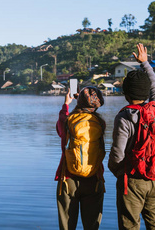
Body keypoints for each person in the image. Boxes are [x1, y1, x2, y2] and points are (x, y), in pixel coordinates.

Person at [108, 43, 155, 230]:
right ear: (146, 91)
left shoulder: (124, 116)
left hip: (132, 179)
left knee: (130, 226)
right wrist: (145, 63)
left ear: (126, 93)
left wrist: (119, 173)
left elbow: (117, 154)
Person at [55, 86, 106, 230]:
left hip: (68, 179)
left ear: (80, 101)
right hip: (94, 179)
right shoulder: (100, 123)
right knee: (91, 226)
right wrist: (83, 103)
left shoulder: (67, 120)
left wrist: (67, 104)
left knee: (67, 227)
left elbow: (60, 124)